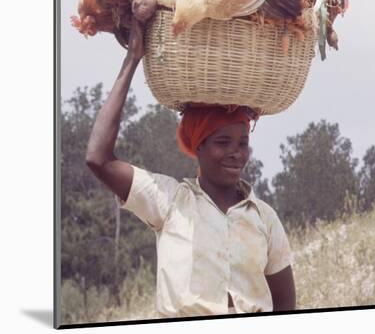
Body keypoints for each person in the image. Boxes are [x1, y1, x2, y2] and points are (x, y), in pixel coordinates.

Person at [86, 17, 296, 318]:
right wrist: (132, 58)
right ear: (198, 146)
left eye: (242, 143)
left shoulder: (264, 218)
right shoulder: (170, 201)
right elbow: (98, 158)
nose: (236, 153)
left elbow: (286, 305)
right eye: (223, 142)